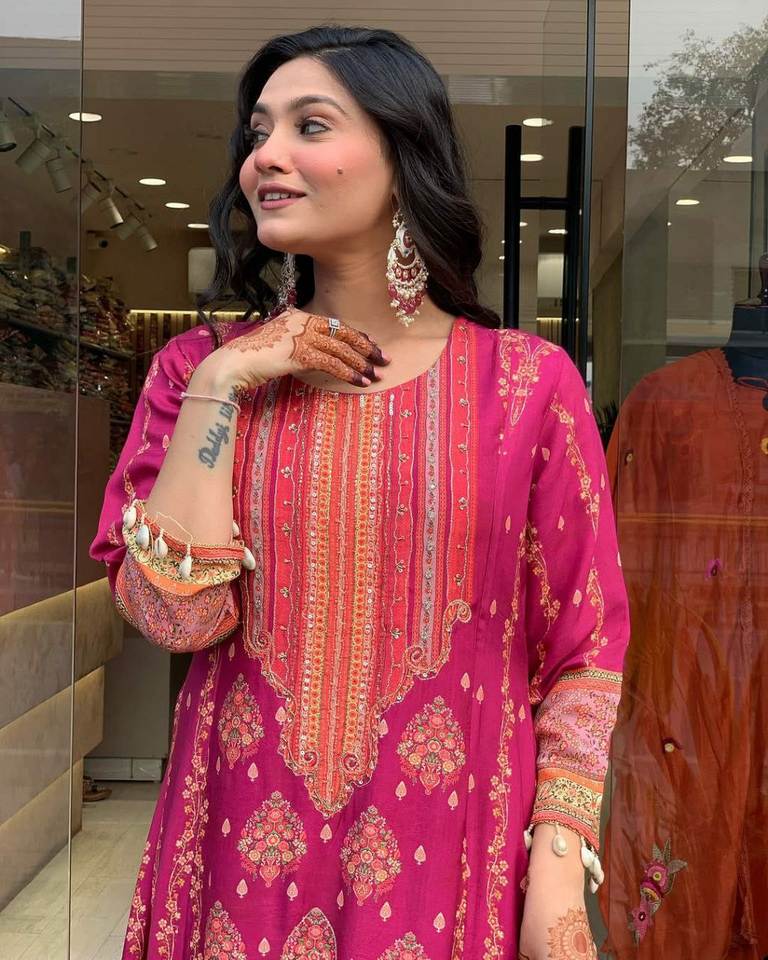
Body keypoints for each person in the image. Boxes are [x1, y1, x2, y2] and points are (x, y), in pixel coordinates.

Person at [90, 25, 630, 960]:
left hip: (454, 856)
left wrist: (556, 877)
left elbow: (584, 650)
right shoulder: (195, 372)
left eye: (310, 125)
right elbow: (175, 619)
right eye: (258, 132)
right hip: (235, 858)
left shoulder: (526, 387)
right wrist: (224, 383)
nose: (267, 156)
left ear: (403, 154)